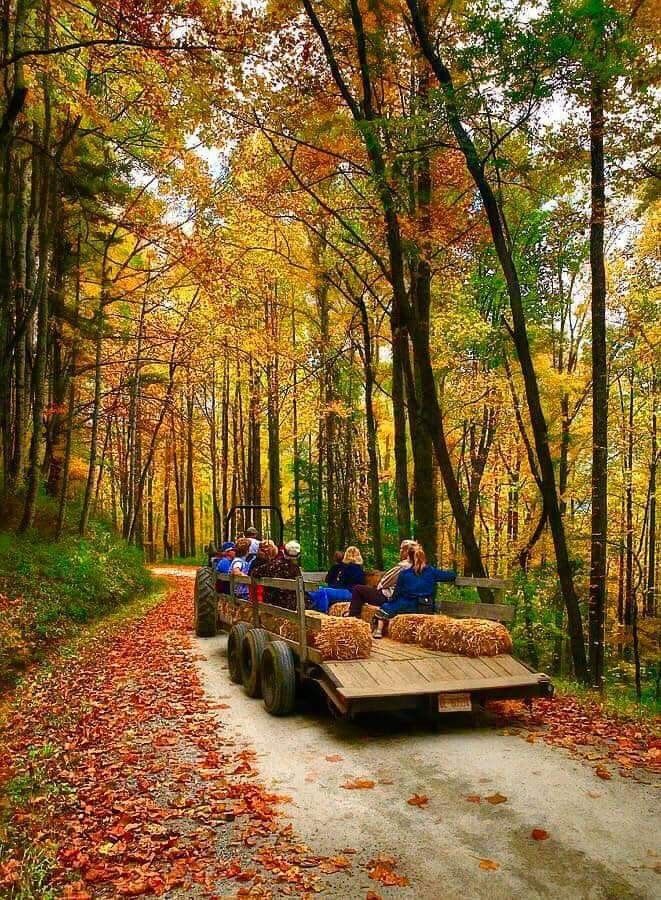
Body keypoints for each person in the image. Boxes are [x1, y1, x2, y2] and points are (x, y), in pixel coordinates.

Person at [372, 542, 456, 638]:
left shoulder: (404, 574)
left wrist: (391, 601)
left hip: (407, 605)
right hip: (425, 606)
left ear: (409, 557)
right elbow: (451, 576)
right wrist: (453, 571)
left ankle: (378, 630)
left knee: (385, 607)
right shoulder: (431, 571)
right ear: (423, 557)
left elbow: (397, 593)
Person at [347, 539, 415, 618]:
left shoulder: (403, 566)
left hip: (389, 597)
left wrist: (378, 586)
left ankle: (353, 617)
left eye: (401, 549)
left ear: (406, 551)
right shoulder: (419, 566)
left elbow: (385, 582)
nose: (400, 551)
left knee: (358, 589)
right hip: (406, 600)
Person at [308, 546, 366, 613]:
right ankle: (312, 608)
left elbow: (341, 583)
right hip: (347, 590)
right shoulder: (354, 567)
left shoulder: (352, 568)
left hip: (351, 592)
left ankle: (321, 614)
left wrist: (331, 587)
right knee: (318, 589)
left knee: (323, 591)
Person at [260, 540, 303, 611]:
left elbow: (254, 573)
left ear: (284, 551)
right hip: (290, 605)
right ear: (298, 556)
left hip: (272, 603)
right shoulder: (295, 569)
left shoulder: (273, 564)